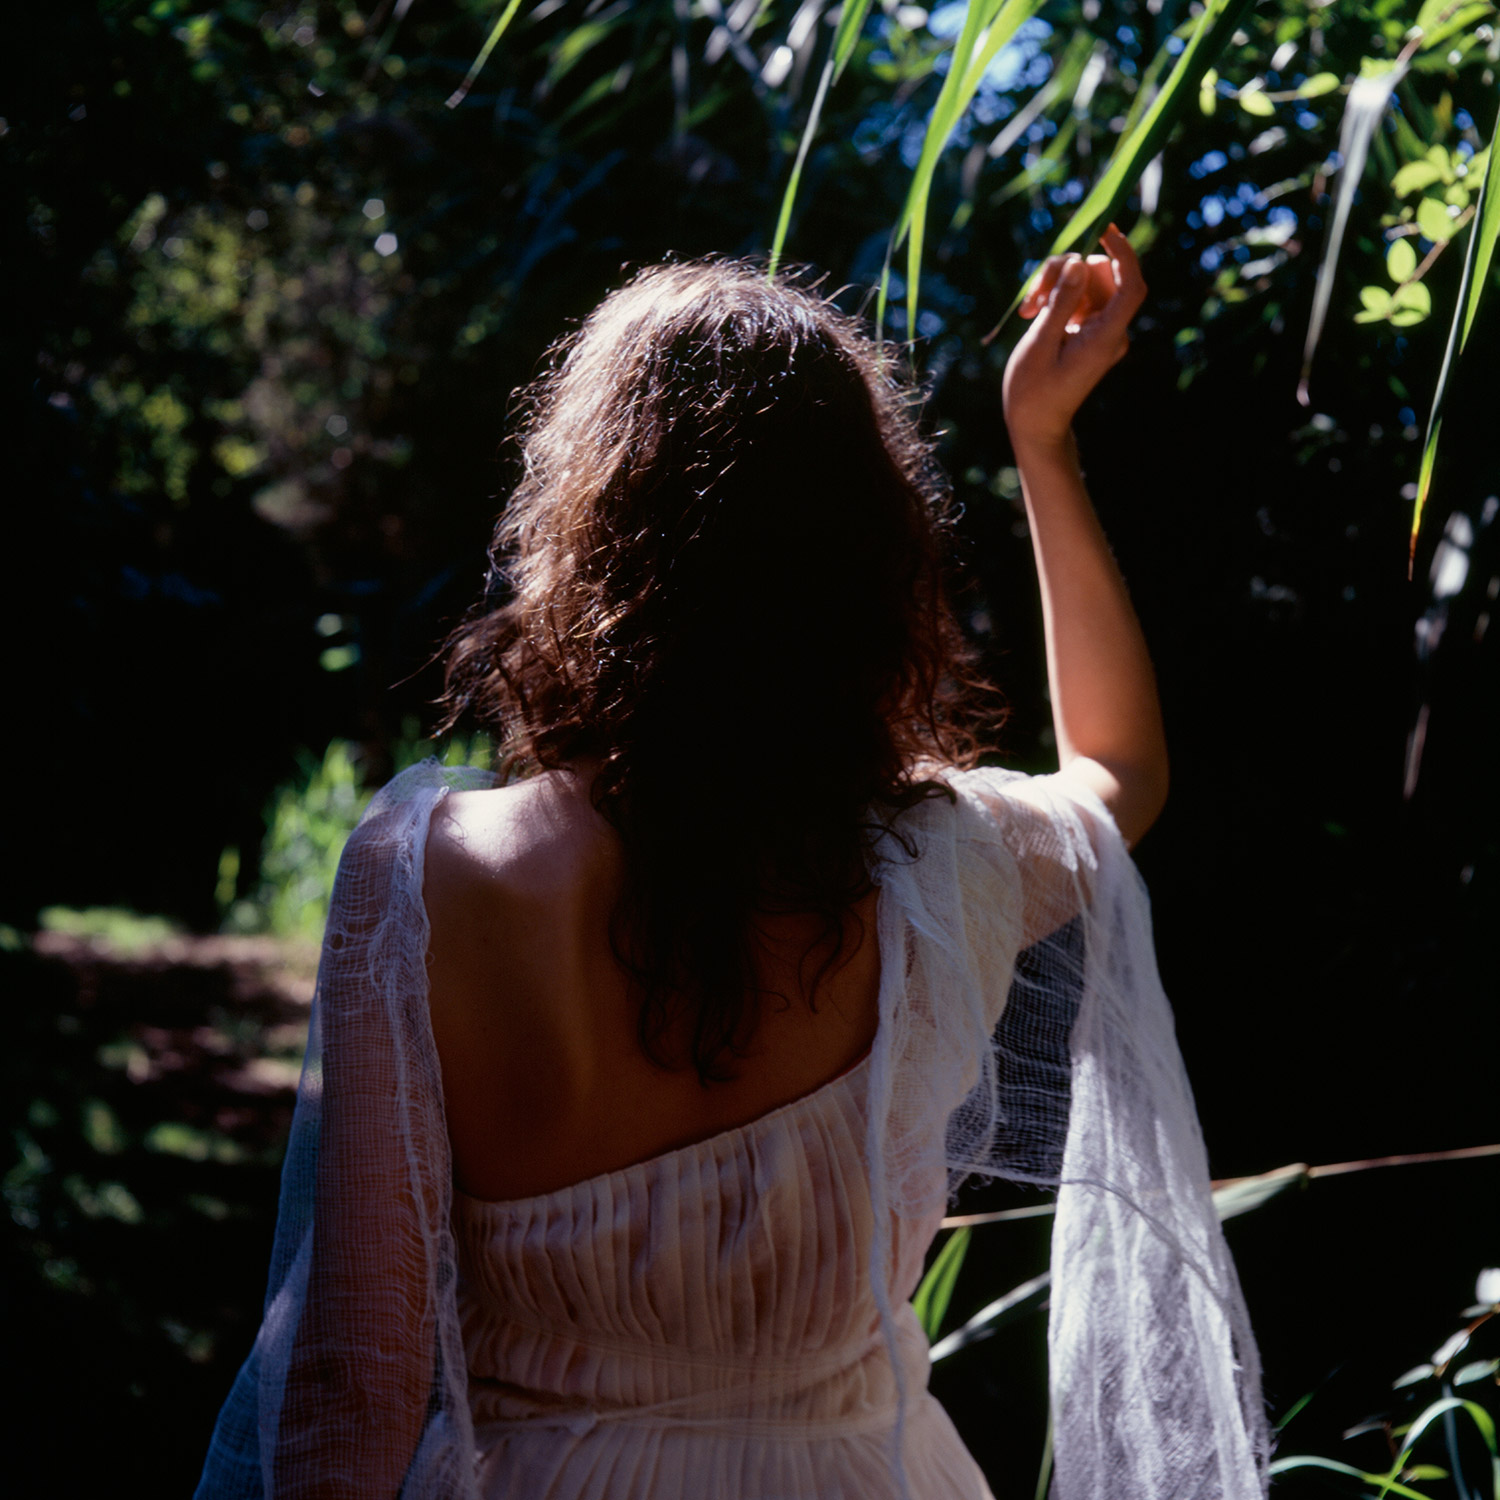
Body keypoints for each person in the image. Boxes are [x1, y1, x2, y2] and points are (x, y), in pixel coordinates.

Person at [197, 232, 1269, 1499]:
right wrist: (1042, 440)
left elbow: (352, 1383)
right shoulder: (944, 870)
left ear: (587, 529)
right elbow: (1118, 775)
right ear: (870, 564)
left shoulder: (433, 877)